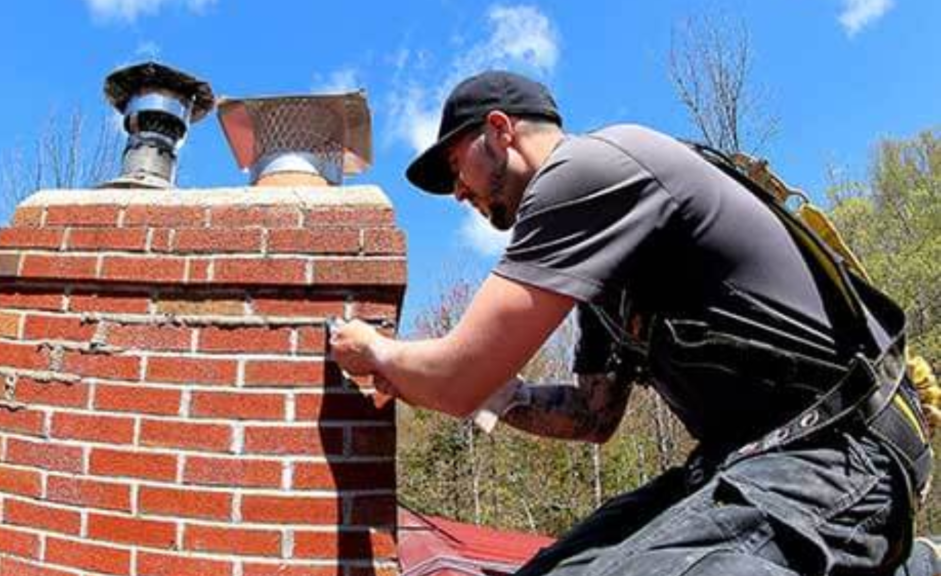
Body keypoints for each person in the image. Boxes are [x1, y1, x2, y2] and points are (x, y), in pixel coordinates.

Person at [329, 70, 937, 575]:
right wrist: (501, 393)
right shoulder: (605, 274)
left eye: (455, 166)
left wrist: (378, 351)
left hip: (845, 453)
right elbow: (594, 416)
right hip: (750, 464)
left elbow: (459, 374)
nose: (458, 192)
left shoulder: (587, 171)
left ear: (499, 130)